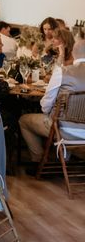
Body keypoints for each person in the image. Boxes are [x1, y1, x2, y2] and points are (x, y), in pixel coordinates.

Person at [19, 40, 85, 169]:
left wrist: (50, 113)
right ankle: (63, 160)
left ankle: (39, 161)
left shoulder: (63, 72)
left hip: (63, 130)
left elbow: (45, 105)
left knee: (24, 120)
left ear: (72, 53)